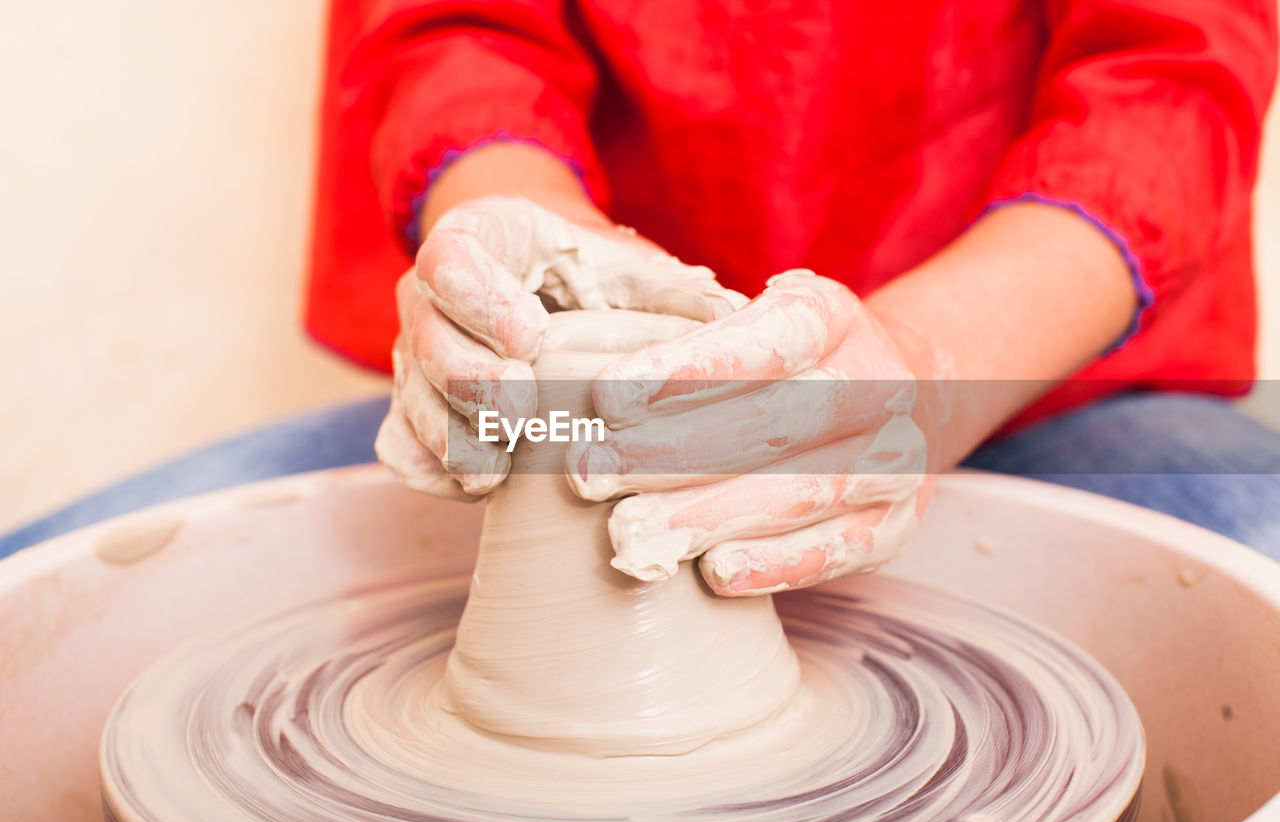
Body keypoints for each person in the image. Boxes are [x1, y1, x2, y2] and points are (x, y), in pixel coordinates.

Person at [3, 1, 1279, 573]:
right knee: (48, 599)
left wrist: (919, 370)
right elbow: (455, 31)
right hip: (571, 421)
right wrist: (515, 262)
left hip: (1027, 372)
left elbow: (1169, 69)